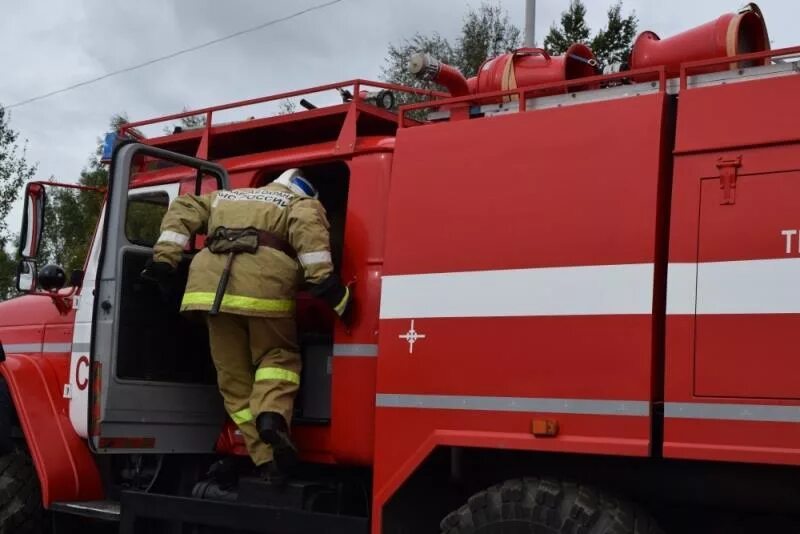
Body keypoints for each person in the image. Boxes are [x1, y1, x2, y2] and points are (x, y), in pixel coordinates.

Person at [142, 168, 351, 480]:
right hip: (264, 290)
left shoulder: (225, 196)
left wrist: (164, 258)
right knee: (278, 357)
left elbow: (184, 206)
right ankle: (272, 414)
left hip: (208, 293)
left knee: (233, 379)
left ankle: (266, 459)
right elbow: (308, 230)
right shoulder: (299, 203)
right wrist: (326, 284)